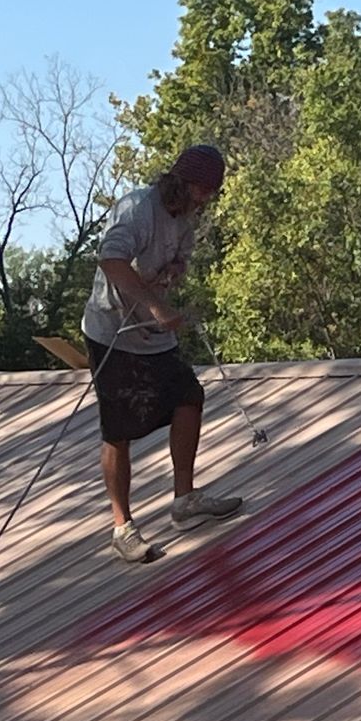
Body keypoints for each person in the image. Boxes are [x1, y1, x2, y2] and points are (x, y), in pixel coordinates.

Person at [81, 143, 243, 563]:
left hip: (154, 334)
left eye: (210, 192)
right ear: (181, 181)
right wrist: (154, 305)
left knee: (189, 397)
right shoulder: (138, 208)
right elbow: (112, 261)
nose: (205, 199)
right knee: (118, 429)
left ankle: (184, 500)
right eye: (201, 189)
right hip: (113, 330)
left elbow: (179, 260)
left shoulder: (183, 220)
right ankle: (123, 528)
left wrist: (172, 274)